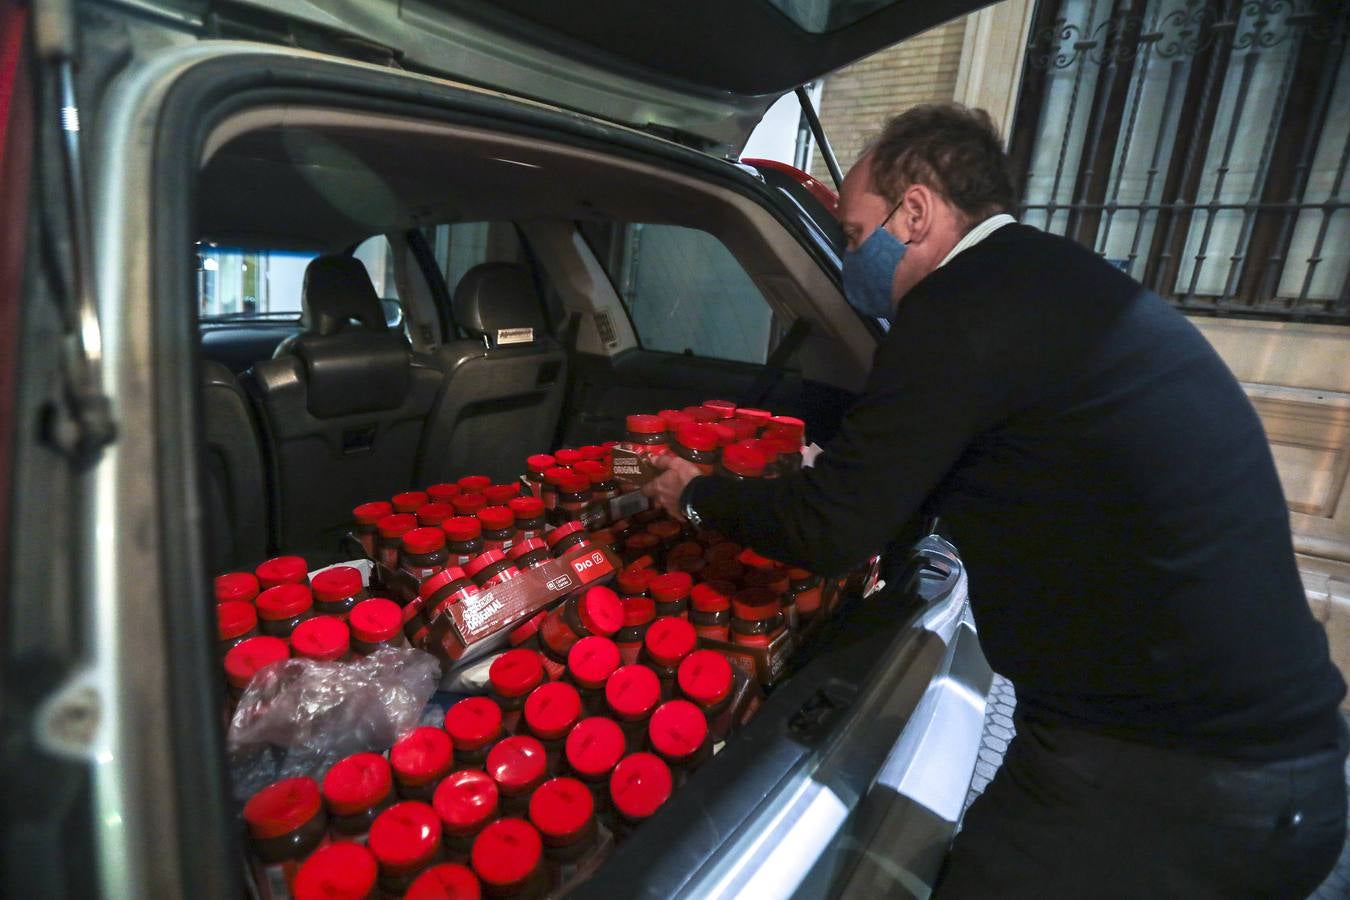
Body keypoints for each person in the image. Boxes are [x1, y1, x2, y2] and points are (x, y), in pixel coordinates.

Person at [642, 104, 1347, 897]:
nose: (848, 255)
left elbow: (833, 527)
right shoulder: (1043, 278)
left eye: (850, 233)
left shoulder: (956, 311)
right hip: (1251, 751)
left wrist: (696, 493)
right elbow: (935, 466)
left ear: (915, 213)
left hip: (1182, 776)